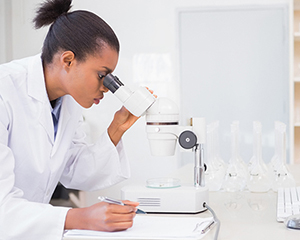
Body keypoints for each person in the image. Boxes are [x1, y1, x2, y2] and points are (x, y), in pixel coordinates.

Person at [0, 0, 150, 239]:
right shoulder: (4, 91)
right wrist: (82, 217)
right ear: (68, 60)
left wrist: (116, 129)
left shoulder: (66, 102)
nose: (108, 88)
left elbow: (74, 170)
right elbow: (2, 209)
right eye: (102, 75)